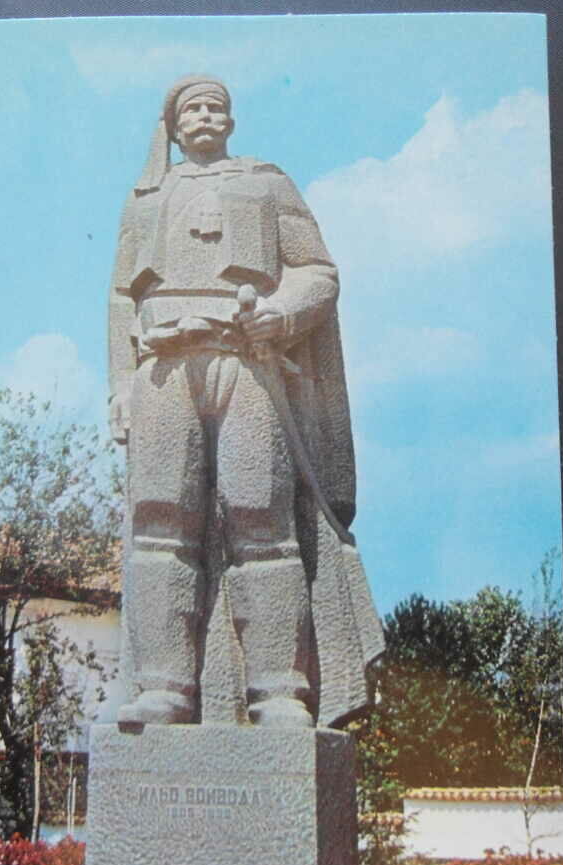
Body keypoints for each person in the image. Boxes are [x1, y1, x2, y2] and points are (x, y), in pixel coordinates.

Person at [108, 75, 383, 729]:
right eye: (191, 109)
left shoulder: (267, 183)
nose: (204, 116)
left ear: (231, 120)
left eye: (216, 107)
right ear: (171, 127)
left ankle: (278, 689)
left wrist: (282, 315)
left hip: (248, 363)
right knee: (159, 522)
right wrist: (121, 384)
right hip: (165, 368)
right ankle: (164, 686)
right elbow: (121, 297)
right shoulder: (145, 198)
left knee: (261, 518)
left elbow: (318, 271)